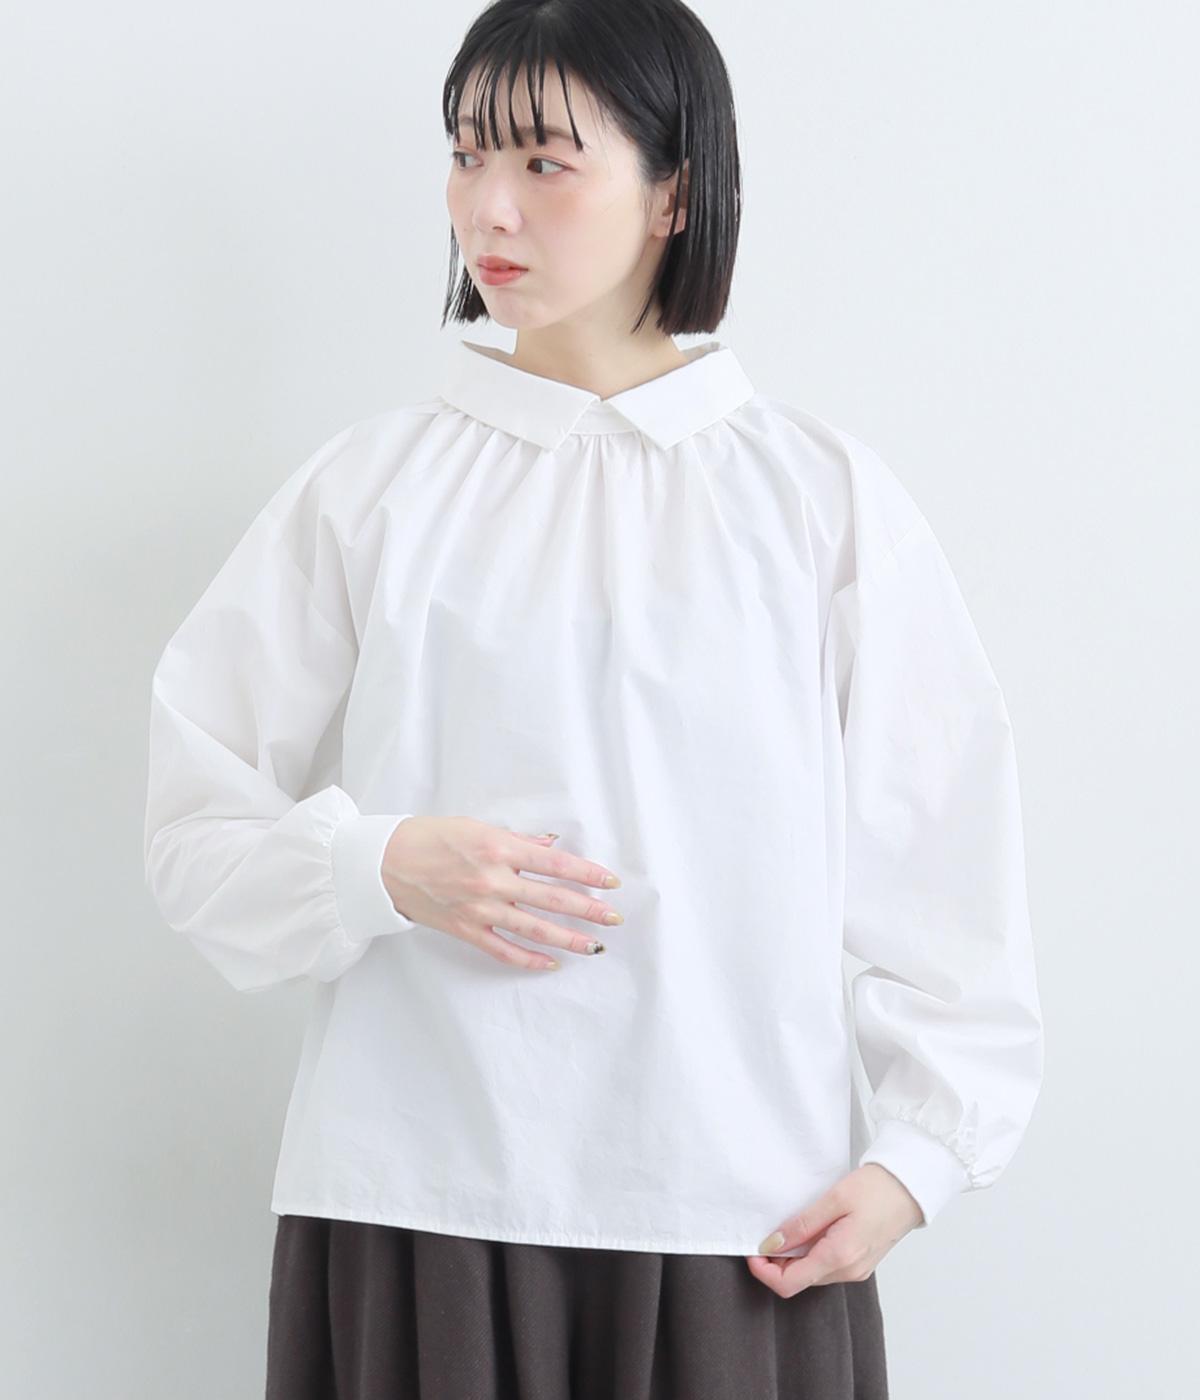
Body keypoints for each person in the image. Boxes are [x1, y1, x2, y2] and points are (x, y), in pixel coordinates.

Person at [142, 2, 1045, 1396]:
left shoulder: (818, 499)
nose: (486, 207)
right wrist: (379, 864)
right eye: (466, 154)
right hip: (418, 1194)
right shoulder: (376, 488)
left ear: (675, 189)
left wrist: (918, 1159)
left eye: (545, 162)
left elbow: (946, 854)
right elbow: (193, 826)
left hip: (739, 1211)